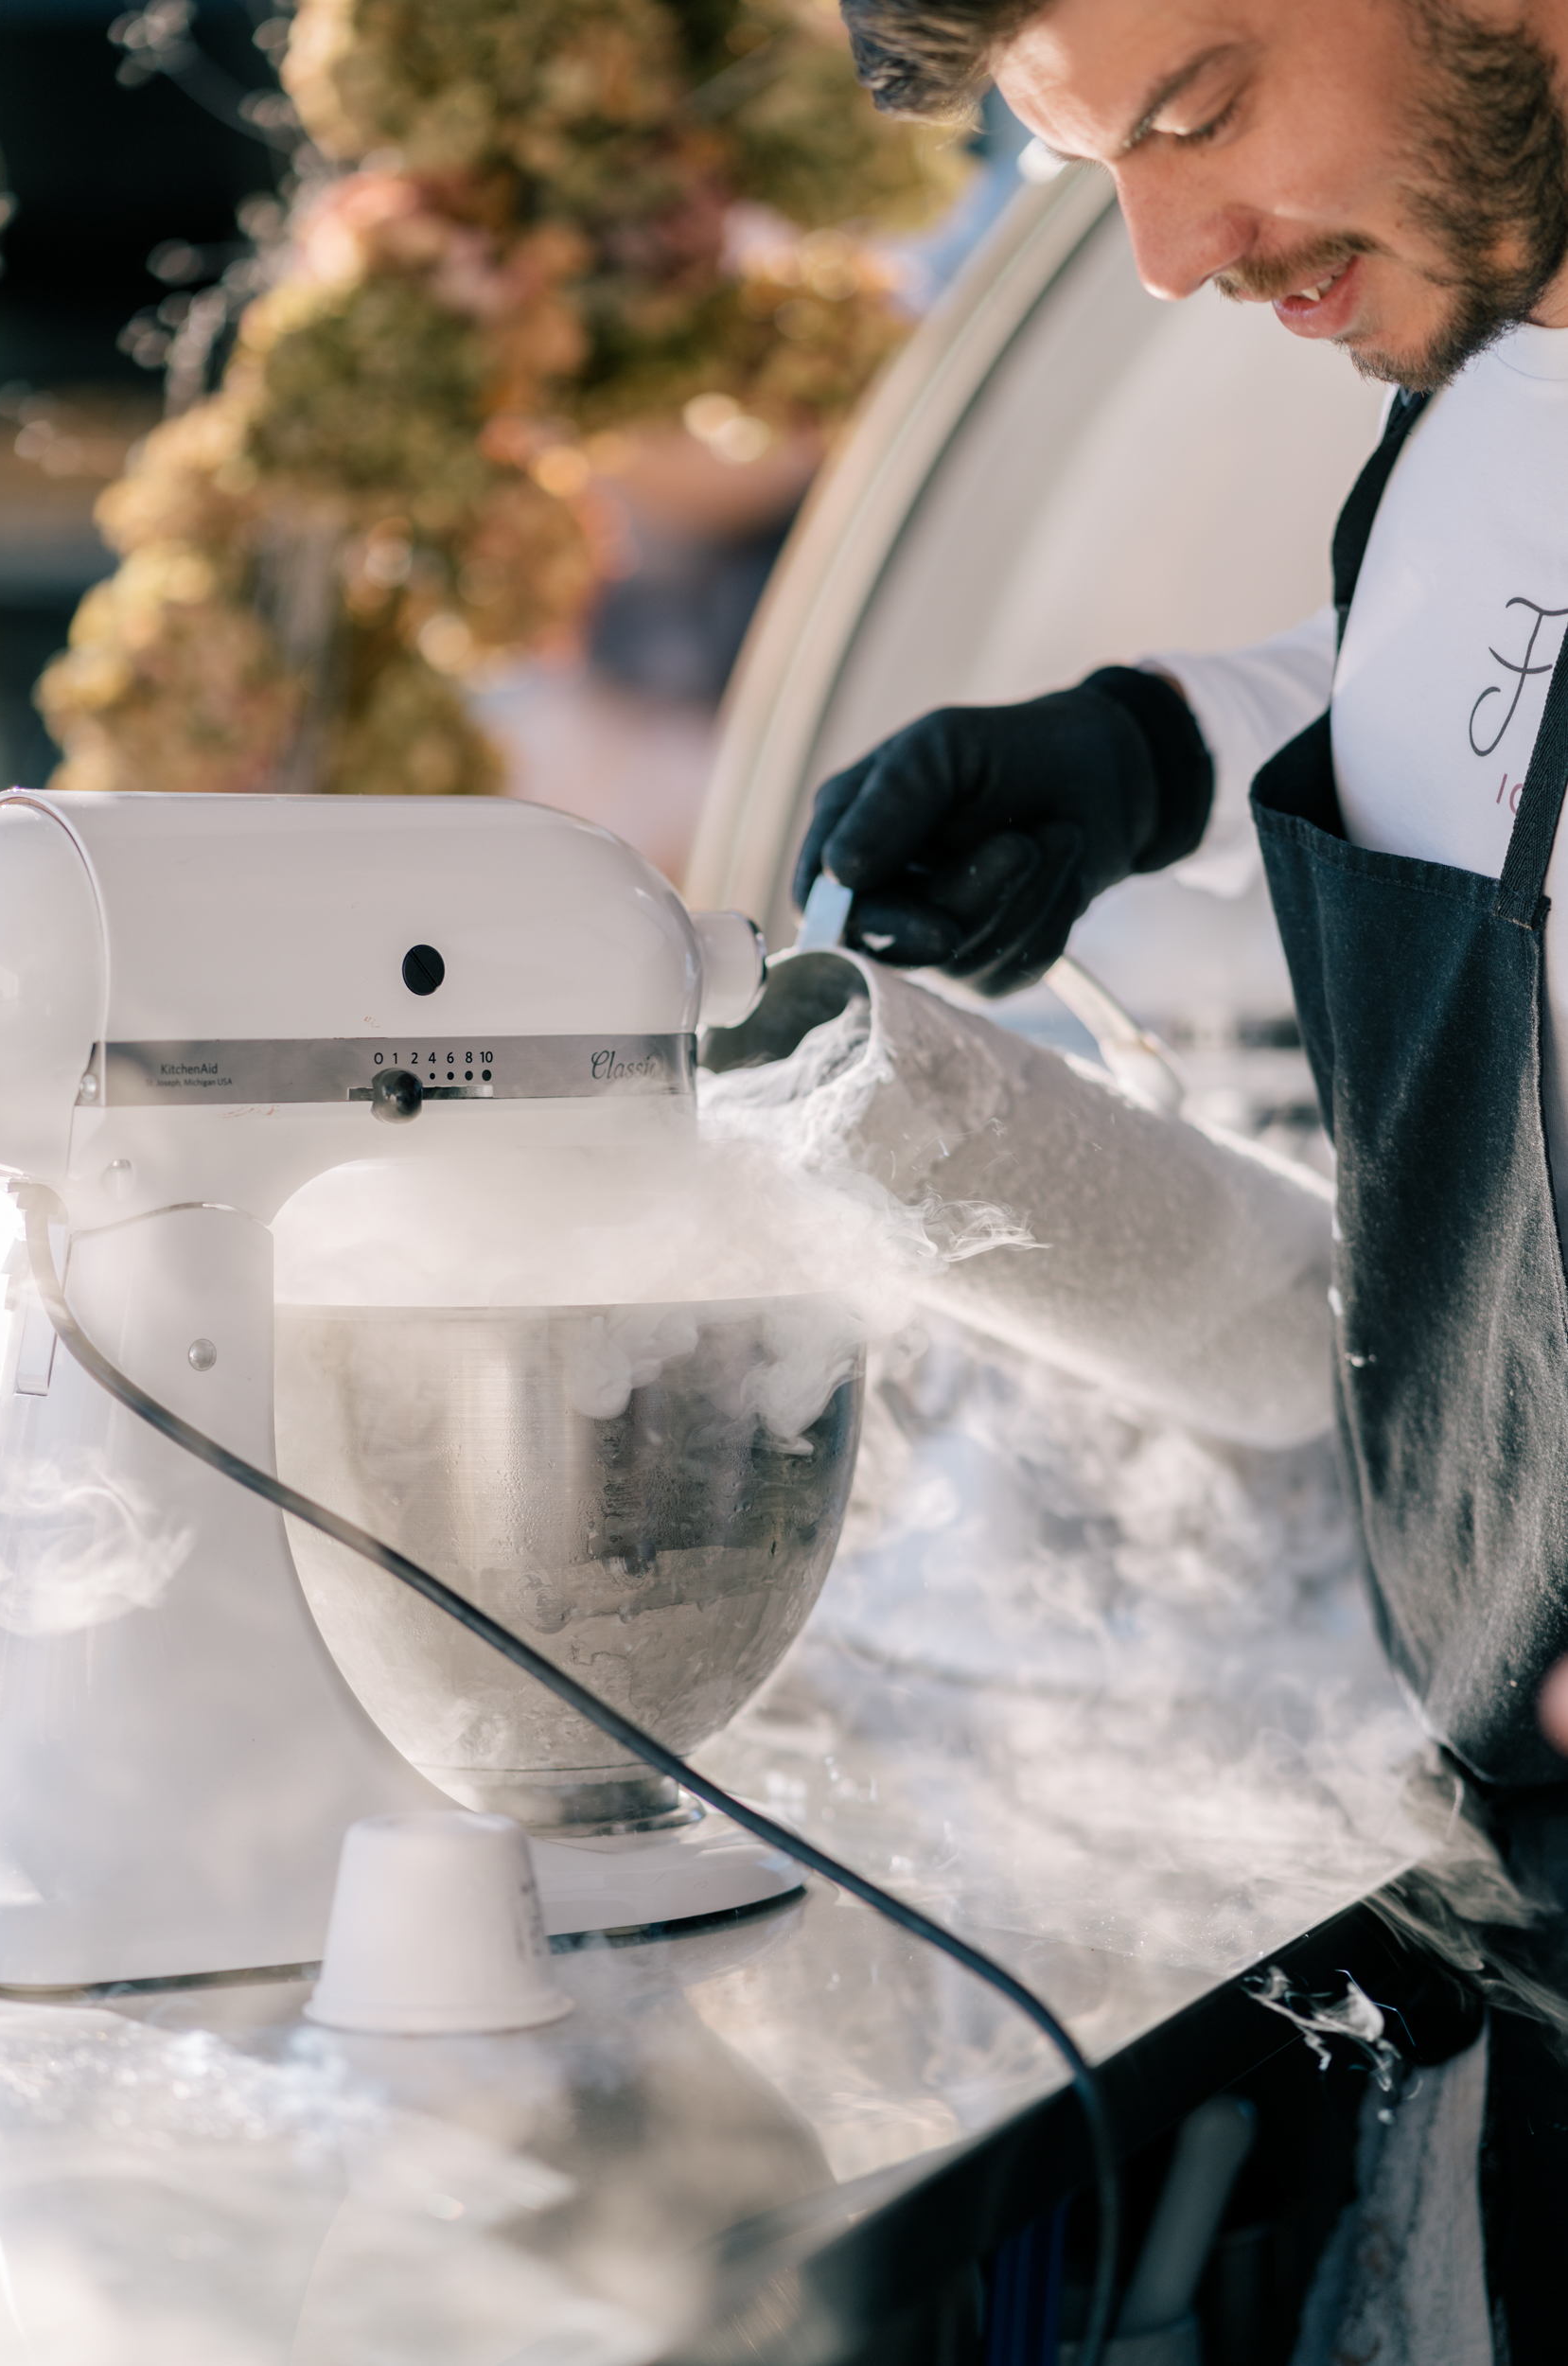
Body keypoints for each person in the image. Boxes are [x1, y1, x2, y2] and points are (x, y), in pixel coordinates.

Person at [795, 1, 1568, 2353]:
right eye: (1097, 172)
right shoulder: (1498, 385)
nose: (1165, 253)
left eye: (1205, 113)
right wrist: (1153, 752)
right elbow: (1468, 677)